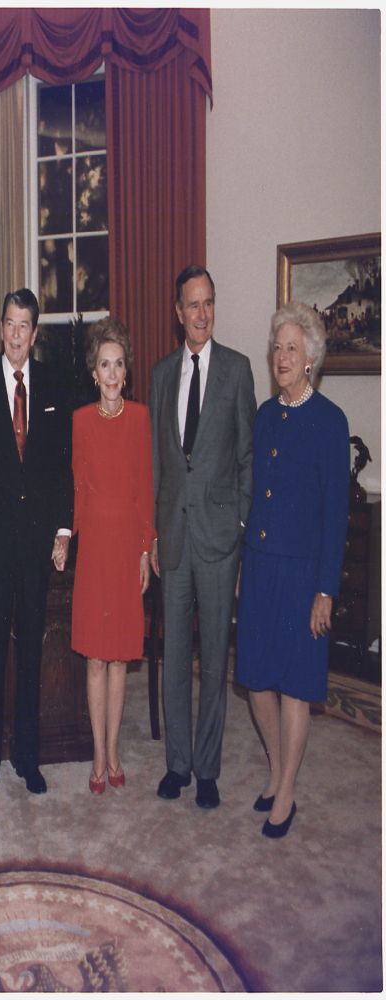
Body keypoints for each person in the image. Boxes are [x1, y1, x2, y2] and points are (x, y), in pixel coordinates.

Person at [235, 303, 349, 838]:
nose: (281, 357)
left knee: (296, 685)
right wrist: (241, 566)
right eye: (276, 347)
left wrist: (325, 589)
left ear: (310, 360)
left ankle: (286, 794)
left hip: (304, 575)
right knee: (256, 678)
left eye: (291, 349)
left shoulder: (330, 423)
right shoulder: (264, 414)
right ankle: (279, 771)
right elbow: (257, 495)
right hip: (259, 566)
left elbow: (335, 517)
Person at [0, 288, 73, 798]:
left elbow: (62, 467)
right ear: (0, 327)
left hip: (36, 548)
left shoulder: (54, 382)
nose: (15, 334)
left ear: (35, 331)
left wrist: (64, 531)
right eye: (8, 323)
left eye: (24, 325)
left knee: (31, 654)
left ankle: (28, 758)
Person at [149, 265, 255, 809]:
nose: (201, 314)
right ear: (177, 311)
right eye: (192, 304)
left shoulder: (237, 371)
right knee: (173, 655)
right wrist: (153, 534)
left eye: (209, 303)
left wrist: (238, 522)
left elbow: (246, 459)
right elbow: (157, 464)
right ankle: (177, 764)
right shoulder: (162, 374)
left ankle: (208, 769)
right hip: (174, 536)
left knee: (215, 656)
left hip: (218, 541)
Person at [67, 319, 154, 794]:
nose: (113, 372)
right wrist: (66, 536)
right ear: (94, 372)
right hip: (95, 548)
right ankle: (97, 754)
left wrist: (146, 549)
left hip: (125, 550)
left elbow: (144, 488)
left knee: (119, 657)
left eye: (119, 363)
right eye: (105, 364)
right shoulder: (80, 420)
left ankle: (115, 748)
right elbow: (77, 489)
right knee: (95, 658)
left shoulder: (140, 418)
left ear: (126, 371)